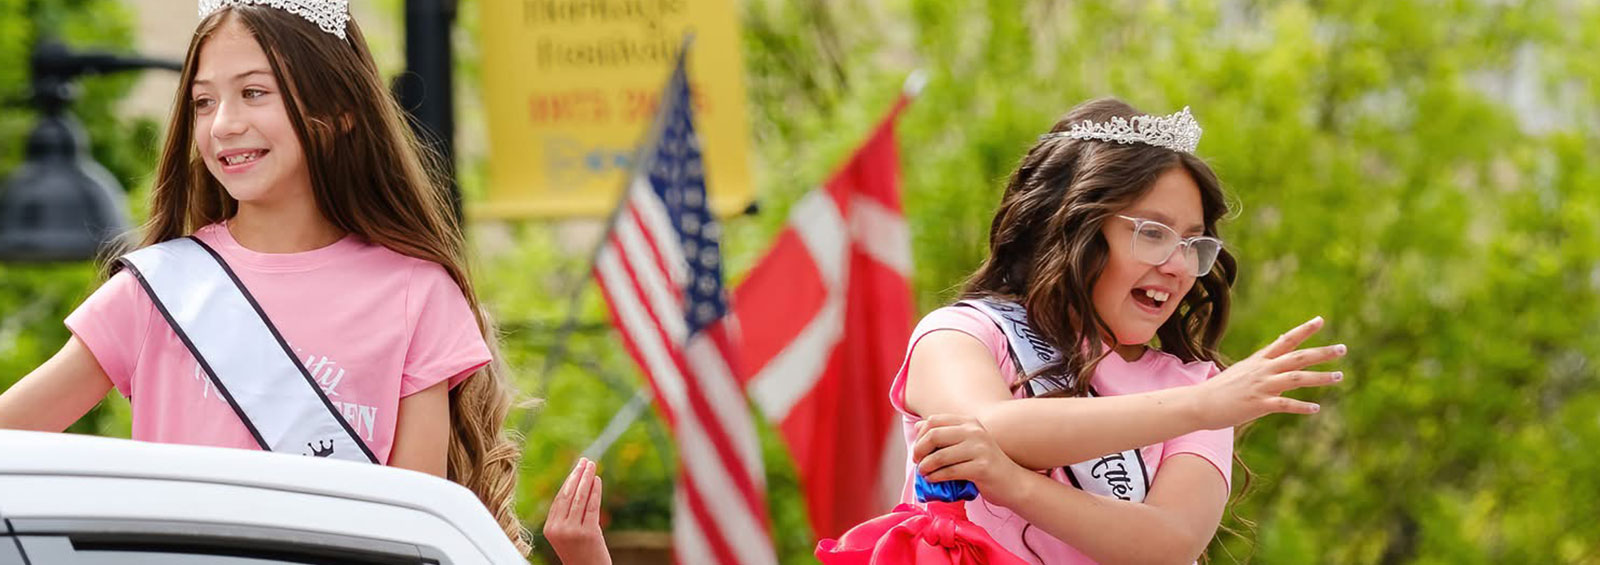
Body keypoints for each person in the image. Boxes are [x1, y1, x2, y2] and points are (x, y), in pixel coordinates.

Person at [0, 1, 539, 554]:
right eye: (204, 102)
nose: (223, 124)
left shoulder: (417, 295)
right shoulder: (155, 291)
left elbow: (411, 532)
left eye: (254, 92)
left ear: (339, 109)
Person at [894, 98, 1347, 563]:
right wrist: (1198, 408)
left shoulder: (1193, 386)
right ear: (1072, 228)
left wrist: (1015, 486)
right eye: (1152, 233)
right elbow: (992, 428)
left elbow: (1169, 544)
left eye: (1192, 243)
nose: (1178, 267)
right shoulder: (964, 334)